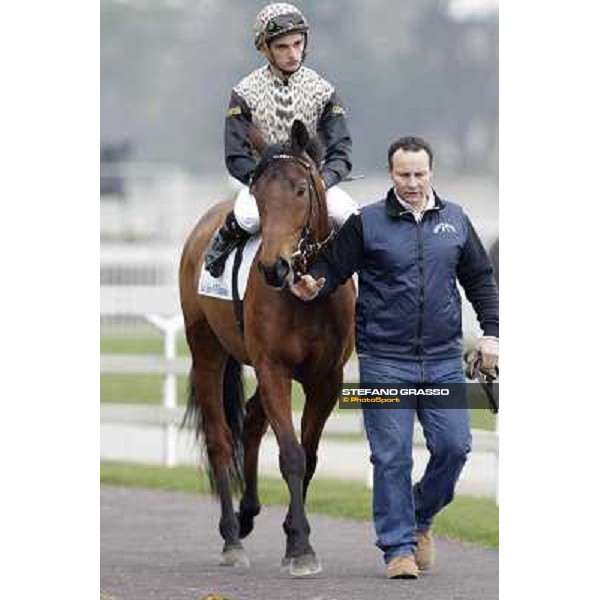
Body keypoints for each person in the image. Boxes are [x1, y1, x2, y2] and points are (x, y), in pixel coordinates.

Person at [290, 136, 499, 579]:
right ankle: (397, 548)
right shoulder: (366, 223)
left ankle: (419, 518)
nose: (412, 183)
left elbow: (480, 280)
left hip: (443, 358)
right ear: (391, 174)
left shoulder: (456, 221)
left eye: (419, 174)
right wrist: (314, 284)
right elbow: (332, 266)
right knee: (391, 457)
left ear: (431, 172)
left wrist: (492, 335)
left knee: (455, 447)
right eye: (403, 175)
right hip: (384, 360)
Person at [205, 2, 358, 277]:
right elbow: (236, 154)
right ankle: (220, 249)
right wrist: (260, 184)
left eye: (298, 44)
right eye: (282, 47)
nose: (293, 54)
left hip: (312, 184)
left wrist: (323, 182)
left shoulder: (323, 91)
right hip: (264, 184)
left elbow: (341, 150)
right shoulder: (244, 92)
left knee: (350, 215)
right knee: (247, 216)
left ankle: (368, 287)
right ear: (265, 49)